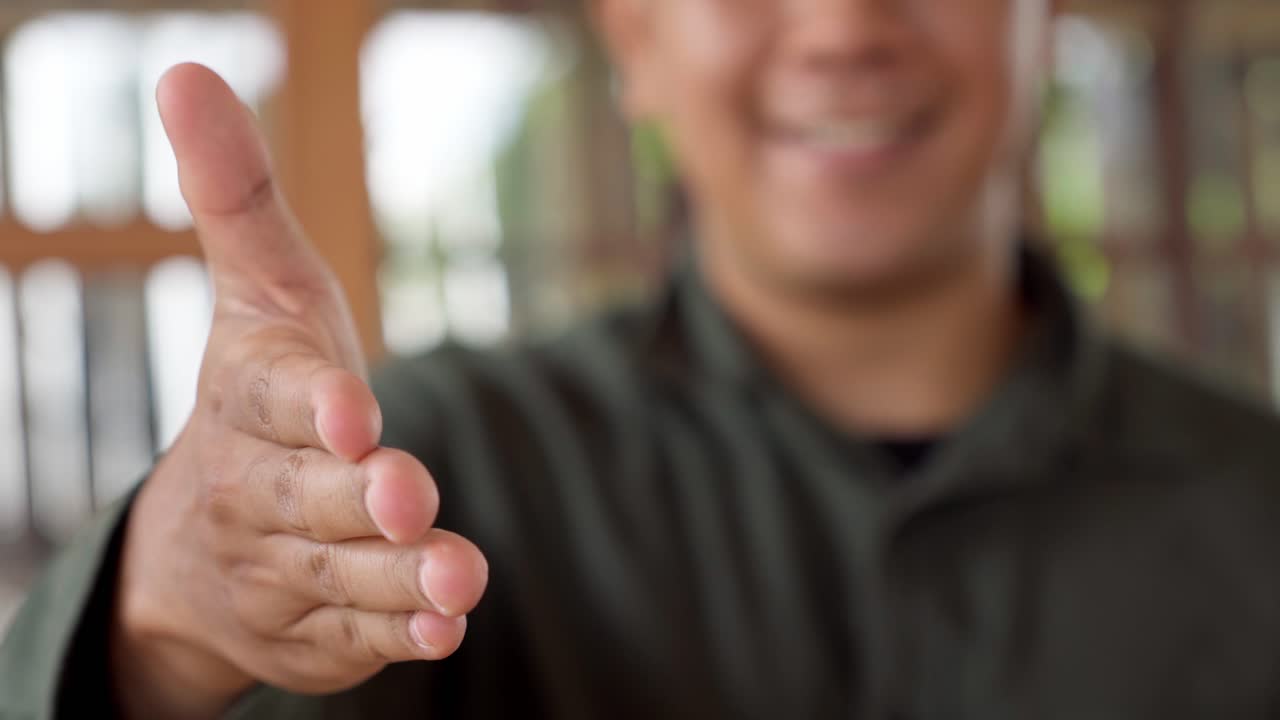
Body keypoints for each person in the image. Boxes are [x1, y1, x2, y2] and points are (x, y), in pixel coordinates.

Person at [4, 0, 1280, 717]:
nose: (840, 26)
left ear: (1037, 19)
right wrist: (160, 623)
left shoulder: (1254, 504)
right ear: (632, 42)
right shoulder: (427, 473)